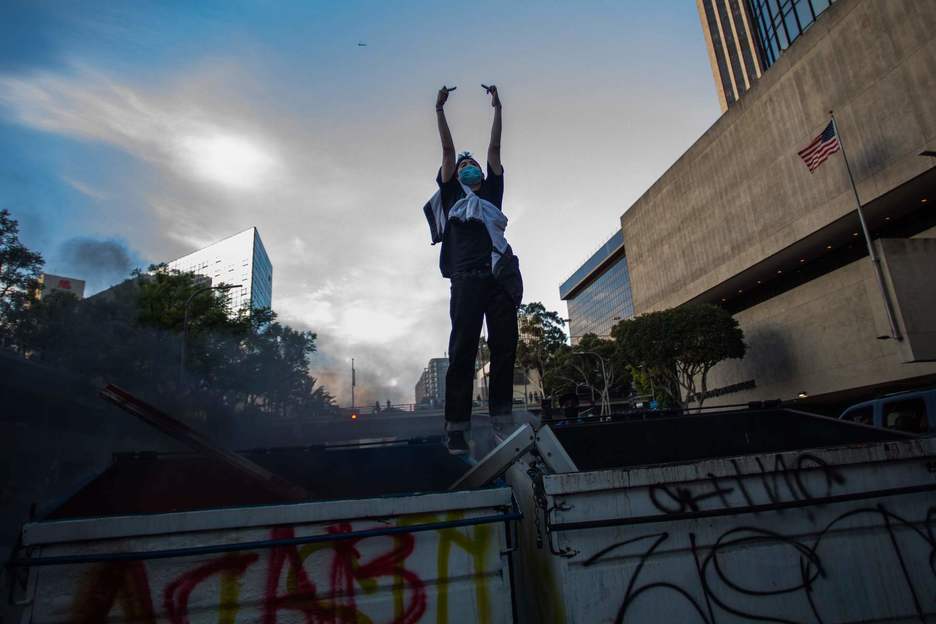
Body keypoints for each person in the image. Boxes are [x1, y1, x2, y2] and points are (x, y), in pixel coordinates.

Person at [426, 84, 522, 454]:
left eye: (474, 165)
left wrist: (498, 107)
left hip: (499, 279)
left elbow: (494, 148)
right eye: (463, 167)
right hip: (466, 280)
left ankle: (502, 418)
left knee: (504, 347)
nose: (469, 167)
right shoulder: (452, 195)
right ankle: (456, 428)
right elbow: (448, 151)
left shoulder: (492, 193)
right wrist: (439, 110)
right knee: (463, 350)